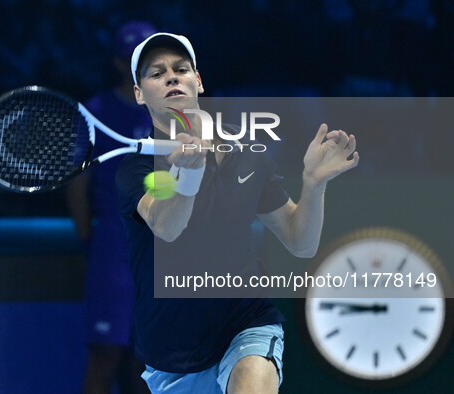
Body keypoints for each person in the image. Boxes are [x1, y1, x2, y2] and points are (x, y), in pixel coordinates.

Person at [115, 33, 359, 393]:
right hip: (173, 353)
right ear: (139, 93)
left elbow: (299, 241)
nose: (171, 77)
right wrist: (189, 173)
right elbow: (167, 226)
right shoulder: (137, 170)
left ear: (197, 81)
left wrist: (313, 184)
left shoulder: (248, 154)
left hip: (246, 323)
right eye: (156, 73)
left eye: (181, 69)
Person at [66, 22, 156, 394]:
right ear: (119, 64)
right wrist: (91, 240)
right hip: (113, 252)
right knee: (105, 358)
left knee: (146, 364)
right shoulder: (96, 111)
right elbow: (77, 184)